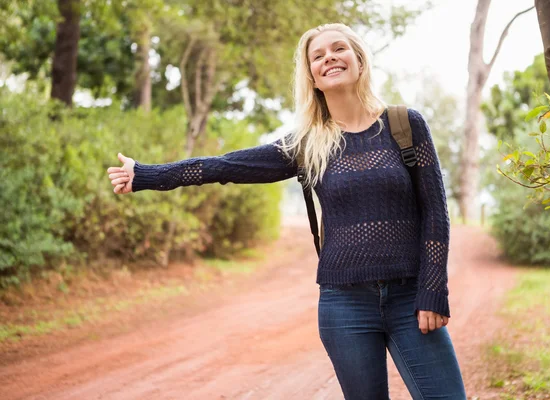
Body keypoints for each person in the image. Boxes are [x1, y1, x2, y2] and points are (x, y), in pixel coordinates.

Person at [107, 23, 466, 400]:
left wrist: (432, 291)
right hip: (345, 306)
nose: (329, 57)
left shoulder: (405, 125)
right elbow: (225, 166)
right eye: (318, 55)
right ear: (312, 76)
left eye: (339, 48)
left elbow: (435, 214)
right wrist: (146, 175)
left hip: (411, 299)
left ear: (359, 60)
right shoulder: (307, 145)